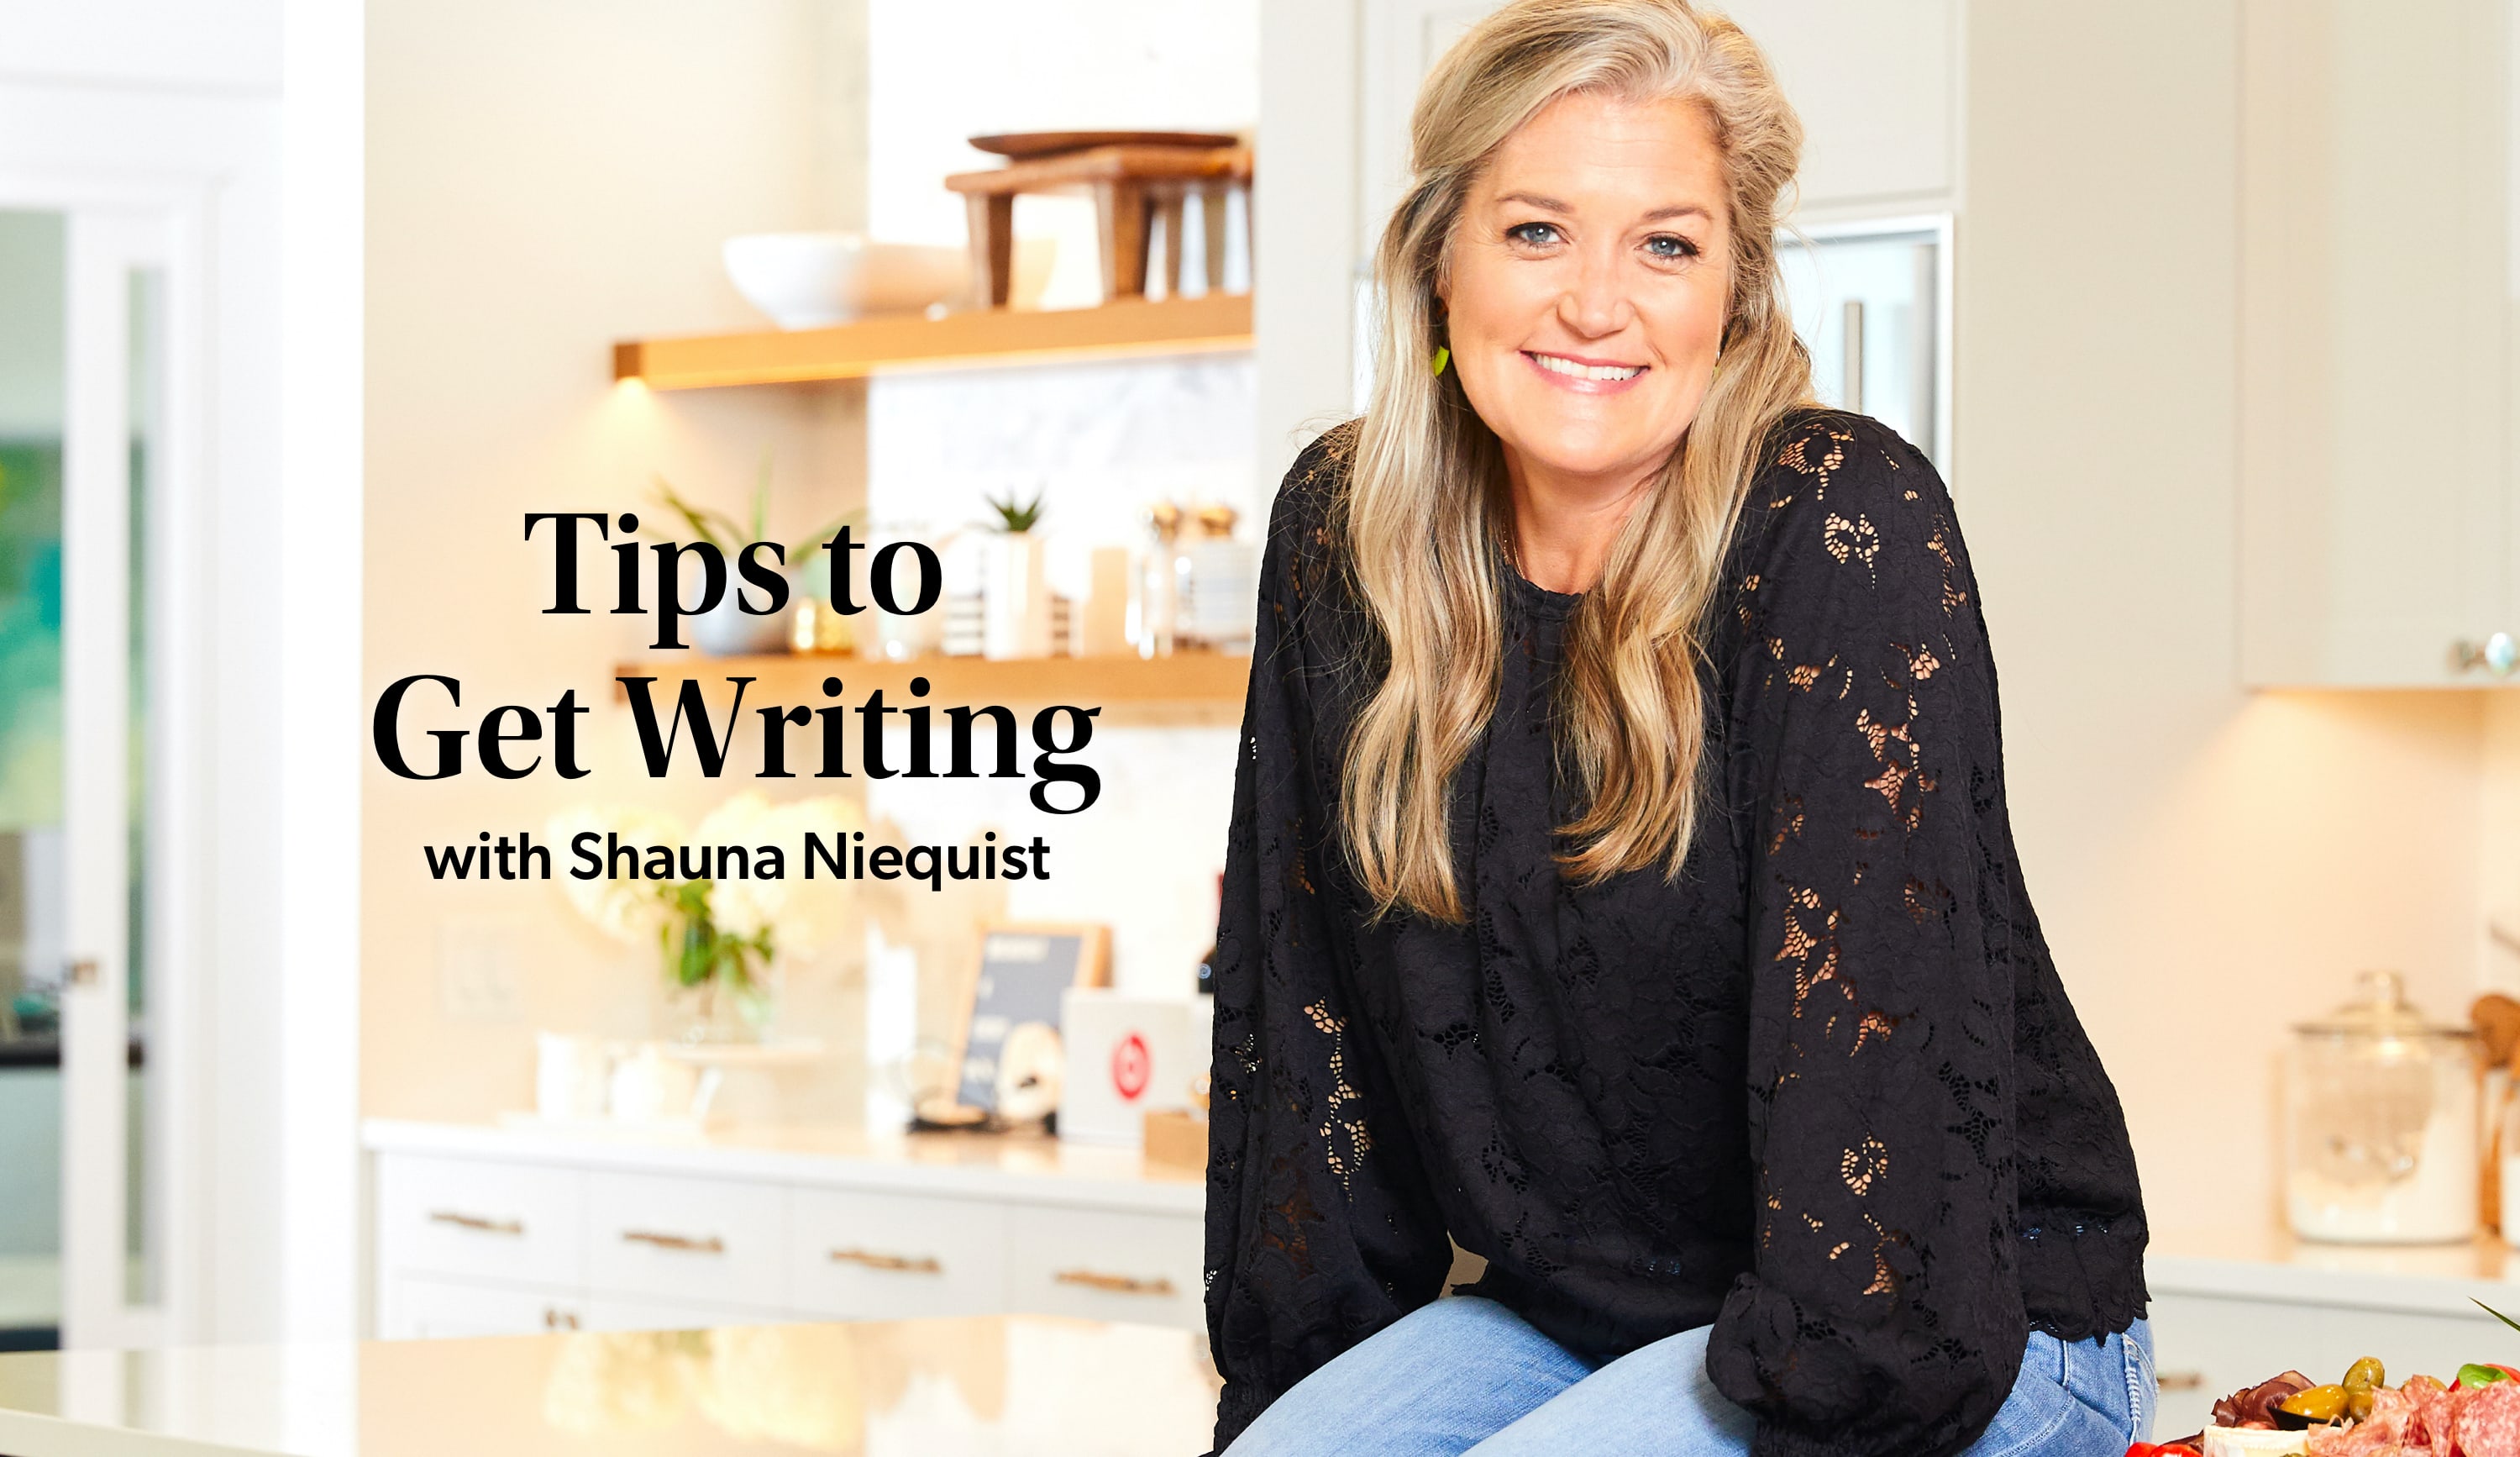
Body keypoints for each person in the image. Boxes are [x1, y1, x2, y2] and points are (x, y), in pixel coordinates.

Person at [1200, 2, 2150, 1454]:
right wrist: (1308, 1394)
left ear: (1737, 294)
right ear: (1439, 257)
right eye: (1535, 231)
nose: (1597, 302)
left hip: (1949, 1325)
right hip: (1575, 1309)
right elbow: (1300, 1023)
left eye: (1665, 242)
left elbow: (1882, 1173)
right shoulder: (1344, 536)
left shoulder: (1839, 523)